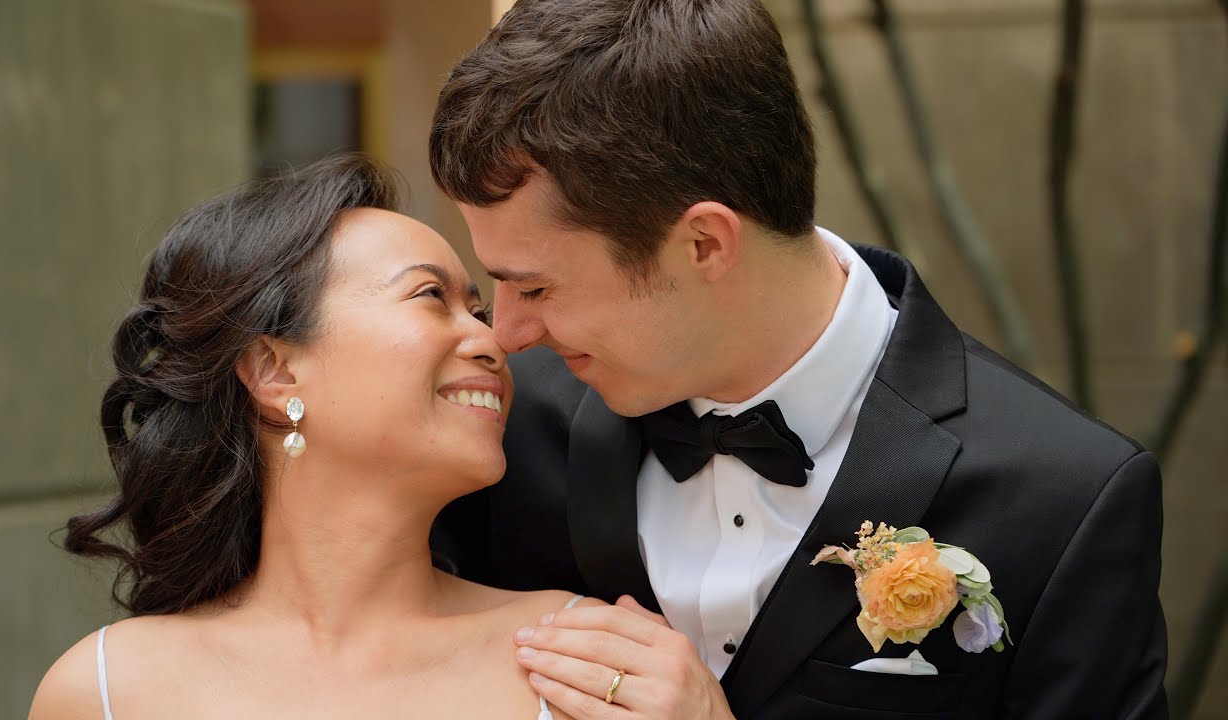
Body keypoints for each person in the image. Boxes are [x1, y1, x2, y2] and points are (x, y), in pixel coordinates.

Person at [428, 1, 1169, 718]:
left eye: (535, 286)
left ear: (705, 244)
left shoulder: (1066, 499)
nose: (509, 332)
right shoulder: (504, 434)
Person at [29, 155, 598, 720]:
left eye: (476, 310)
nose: (493, 341)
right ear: (274, 371)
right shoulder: (105, 690)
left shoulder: (576, 662)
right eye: (430, 296)